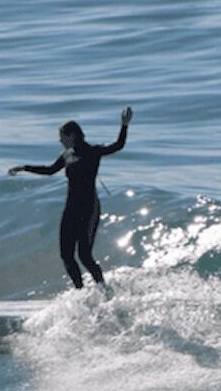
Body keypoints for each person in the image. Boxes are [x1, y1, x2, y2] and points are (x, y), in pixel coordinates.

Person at [9, 107, 133, 289]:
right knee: (66, 255)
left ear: (73, 135)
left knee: (84, 256)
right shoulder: (67, 155)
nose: (60, 140)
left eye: (62, 136)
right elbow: (50, 170)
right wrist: (24, 168)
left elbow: (118, 146)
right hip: (71, 209)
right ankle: (80, 291)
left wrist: (124, 125)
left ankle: (103, 290)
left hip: (89, 208)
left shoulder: (92, 151)